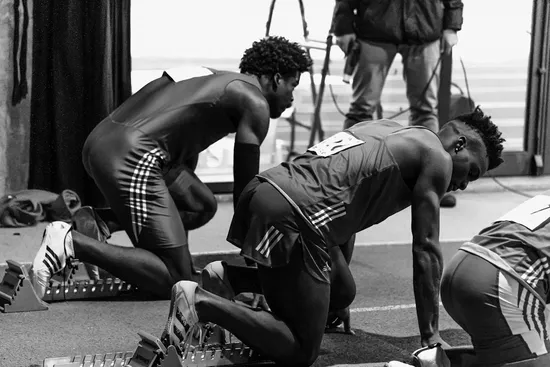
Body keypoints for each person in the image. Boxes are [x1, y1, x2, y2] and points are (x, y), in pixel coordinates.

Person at [159, 106, 504, 366]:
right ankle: (200, 302)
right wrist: (430, 337)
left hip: (267, 190)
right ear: (458, 144)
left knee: (343, 291)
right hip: (296, 214)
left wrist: (327, 296)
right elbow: (426, 250)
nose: (462, 183)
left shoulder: (384, 127)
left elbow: (346, 206)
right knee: (300, 350)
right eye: (471, 172)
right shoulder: (438, 159)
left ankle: (227, 278)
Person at [29, 36, 312, 300]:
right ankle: (70, 243)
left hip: (101, 141)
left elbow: (183, 151)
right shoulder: (256, 103)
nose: (291, 97)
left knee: (200, 204)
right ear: (276, 78)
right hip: (133, 154)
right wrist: (258, 261)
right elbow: (246, 191)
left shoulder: (216, 78)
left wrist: (181, 249)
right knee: (175, 280)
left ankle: (99, 222)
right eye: (292, 85)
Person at [331, 0, 464, 208]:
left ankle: (432, 183)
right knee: (361, 110)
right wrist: (343, 25)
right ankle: (348, 180)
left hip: (424, 30)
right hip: (374, 28)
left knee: (425, 110)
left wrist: (452, 24)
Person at [440, 191, 550, 366]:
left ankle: (438, 362)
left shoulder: (545, 197)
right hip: (501, 284)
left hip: (460, 268)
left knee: (514, 354)